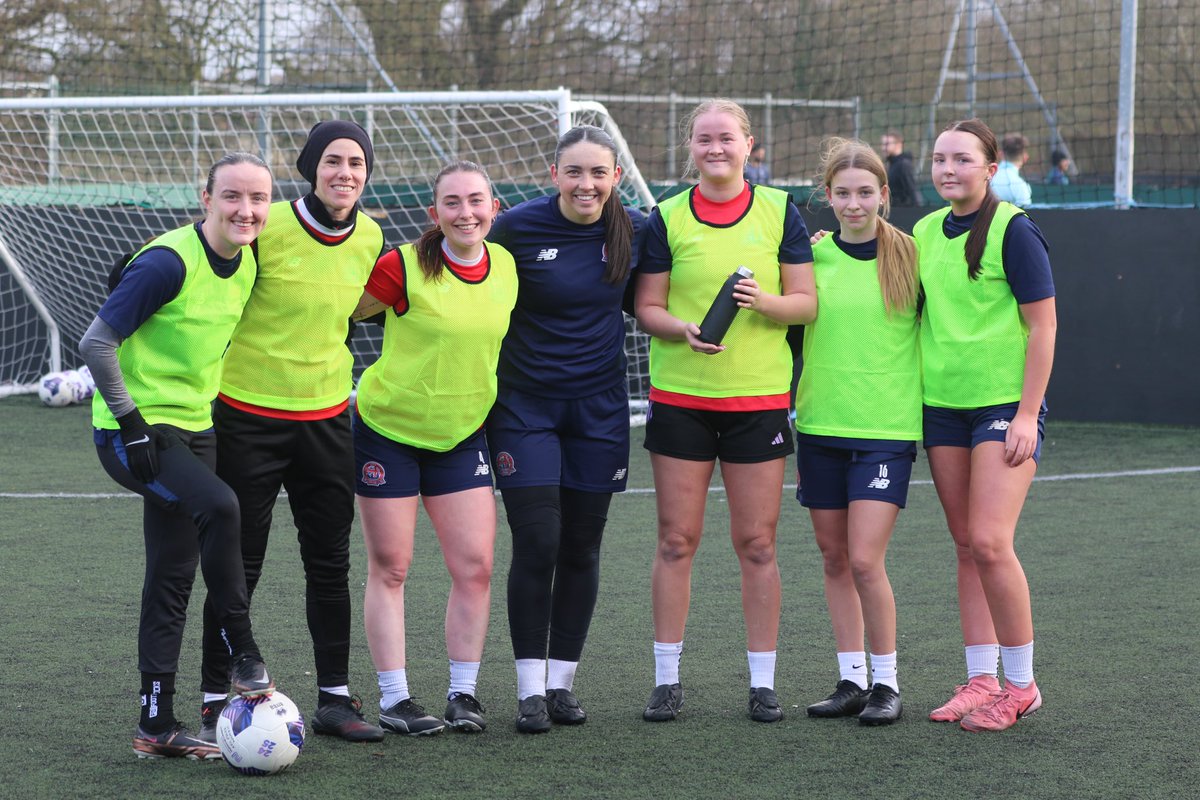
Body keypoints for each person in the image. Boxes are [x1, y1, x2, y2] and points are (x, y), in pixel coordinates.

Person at [79, 152, 276, 760]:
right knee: (220, 507)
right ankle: (244, 654)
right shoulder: (169, 262)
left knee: (172, 572)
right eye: (232, 197)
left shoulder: (246, 261)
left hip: (195, 427)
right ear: (206, 199)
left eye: (258, 199)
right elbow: (95, 342)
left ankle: (156, 724)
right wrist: (132, 423)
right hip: (134, 434)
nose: (246, 210)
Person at [198, 120, 386, 744]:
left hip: (329, 418)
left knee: (329, 561)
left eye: (356, 162)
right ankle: (214, 698)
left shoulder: (372, 236)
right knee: (238, 564)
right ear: (310, 167)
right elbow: (205, 266)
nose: (345, 173)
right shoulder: (264, 224)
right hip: (246, 417)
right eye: (333, 160)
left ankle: (335, 698)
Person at [635, 98, 816, 724]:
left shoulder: (780, 211)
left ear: (749, 144)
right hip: (682, 401)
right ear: (690, 146)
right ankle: (666, 679)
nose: (715, 148)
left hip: (757, 402)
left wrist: (762, 301)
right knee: (676, 540)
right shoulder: (665, 217)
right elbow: (647, 309)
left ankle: (762, 683)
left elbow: (806, 305)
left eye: (726, 138)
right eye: (703, 138)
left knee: (758, 544)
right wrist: (683, 327)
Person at [485, 125, 645, 733]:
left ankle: (561, 686)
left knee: (581, 546)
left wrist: (812, 247)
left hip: (599, 412)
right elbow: (465, 270)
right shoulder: (518, 228)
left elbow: (695, 255)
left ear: (615, 178)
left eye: (598, 173)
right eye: (574, 172)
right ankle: (528, 690)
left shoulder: (635, 229)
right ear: (553, 175)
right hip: (524, 408)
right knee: (540, 542)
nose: (586, 184)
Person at [353, 161, 518, 736]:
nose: (466, 212)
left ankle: (463, 694)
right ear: (435, 213)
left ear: (494, 207)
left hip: (461, 434)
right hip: (389, 431)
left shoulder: (506, 267)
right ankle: (395, 699)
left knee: (475, 567)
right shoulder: (401, 266)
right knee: (392, 567)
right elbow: (344, 313)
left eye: (476, 200)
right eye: (452, 203)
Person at [919, 118, 1056, 732]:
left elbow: (1044, 327)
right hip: (942, 406)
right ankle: (981, 679)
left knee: (992, 542)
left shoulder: (1013, 230)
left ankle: (1022, 687)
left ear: (990, 168)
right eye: (940, 159)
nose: (949, 169)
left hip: (1003, 406)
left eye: (962, 159)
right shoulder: (922, 231)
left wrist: (1027, 413)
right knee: (966, 546)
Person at [797, 139, 920, 726]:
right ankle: (851, 679)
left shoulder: (912, 259)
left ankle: (887, 684)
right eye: (842, 193)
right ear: (827, 197)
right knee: (834, 558)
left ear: (884, 195)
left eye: (865, 192)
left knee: (867, 560)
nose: (853, 203)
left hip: (886, 431)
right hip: (821, 424)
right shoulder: (811, 259)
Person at [880, 131, 922, 207]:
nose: (883, 148)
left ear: (898, 145)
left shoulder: (904, 165)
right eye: (883, 144)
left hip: (904, 212)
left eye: (887, 144)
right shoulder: (890, 165)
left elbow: (912, 191)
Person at [991, 132, 1033, 206]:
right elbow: (1024, 215)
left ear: (1000, 154)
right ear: (1025, 158)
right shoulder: (1022, 186)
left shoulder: (986, 178)